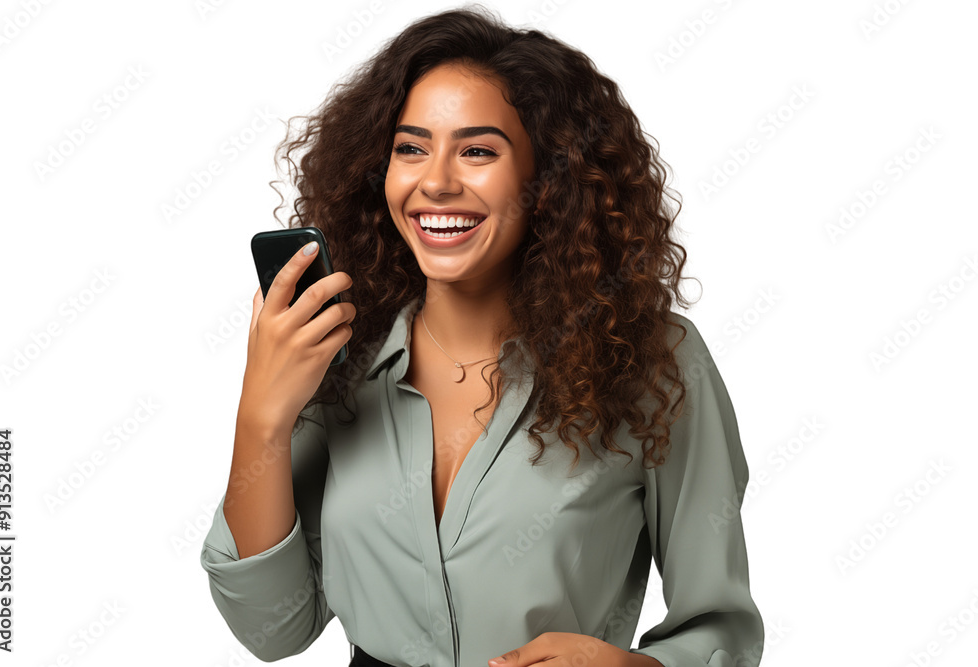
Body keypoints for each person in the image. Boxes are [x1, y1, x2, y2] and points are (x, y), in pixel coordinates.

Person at [199, 5, 764, 667]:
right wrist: (260, 418)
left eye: (477, 151)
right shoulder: (337, 352)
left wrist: (630, 666)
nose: (435, 182)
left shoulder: (654, 360)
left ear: (547, 179)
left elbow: (722, 631)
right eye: (410, 147)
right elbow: (272, 630)